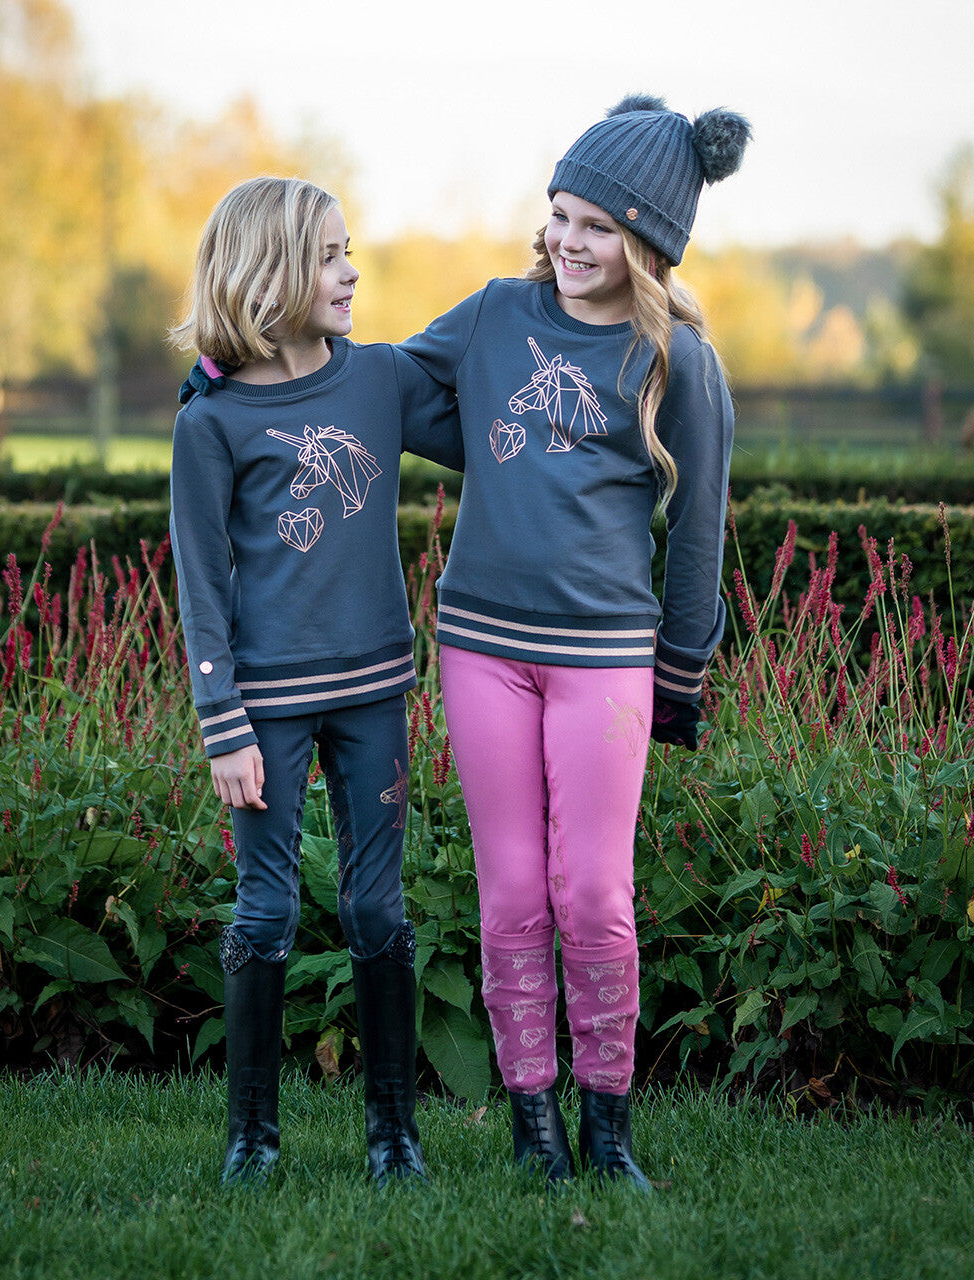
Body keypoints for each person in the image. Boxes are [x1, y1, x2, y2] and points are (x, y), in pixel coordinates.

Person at [394, 94, 750, 1186]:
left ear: (647, 242)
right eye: (558, 213)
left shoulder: (679, 360)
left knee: (592, 890)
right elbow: (395, 389)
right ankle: (533, 1123)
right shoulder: (497, 313)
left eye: (596, 225)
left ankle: (607, 1123)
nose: (567, 240)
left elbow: (699, 530)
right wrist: (252, 370)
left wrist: (681, 671)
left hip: (605, 661)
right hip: (480, 646)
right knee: (510, 893)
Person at [168, 175, 463, 1187]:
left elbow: (487, 438)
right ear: (274, 272)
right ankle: (252, 1138)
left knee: (378, 910)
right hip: (265, 711)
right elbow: (201, 581)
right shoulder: (210, 422)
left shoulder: (378, 378)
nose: (351, 272)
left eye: (349, 252)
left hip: (376, 688)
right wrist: (222, 720)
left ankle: (394, 1136)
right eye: (331, 256)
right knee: (266, 912)